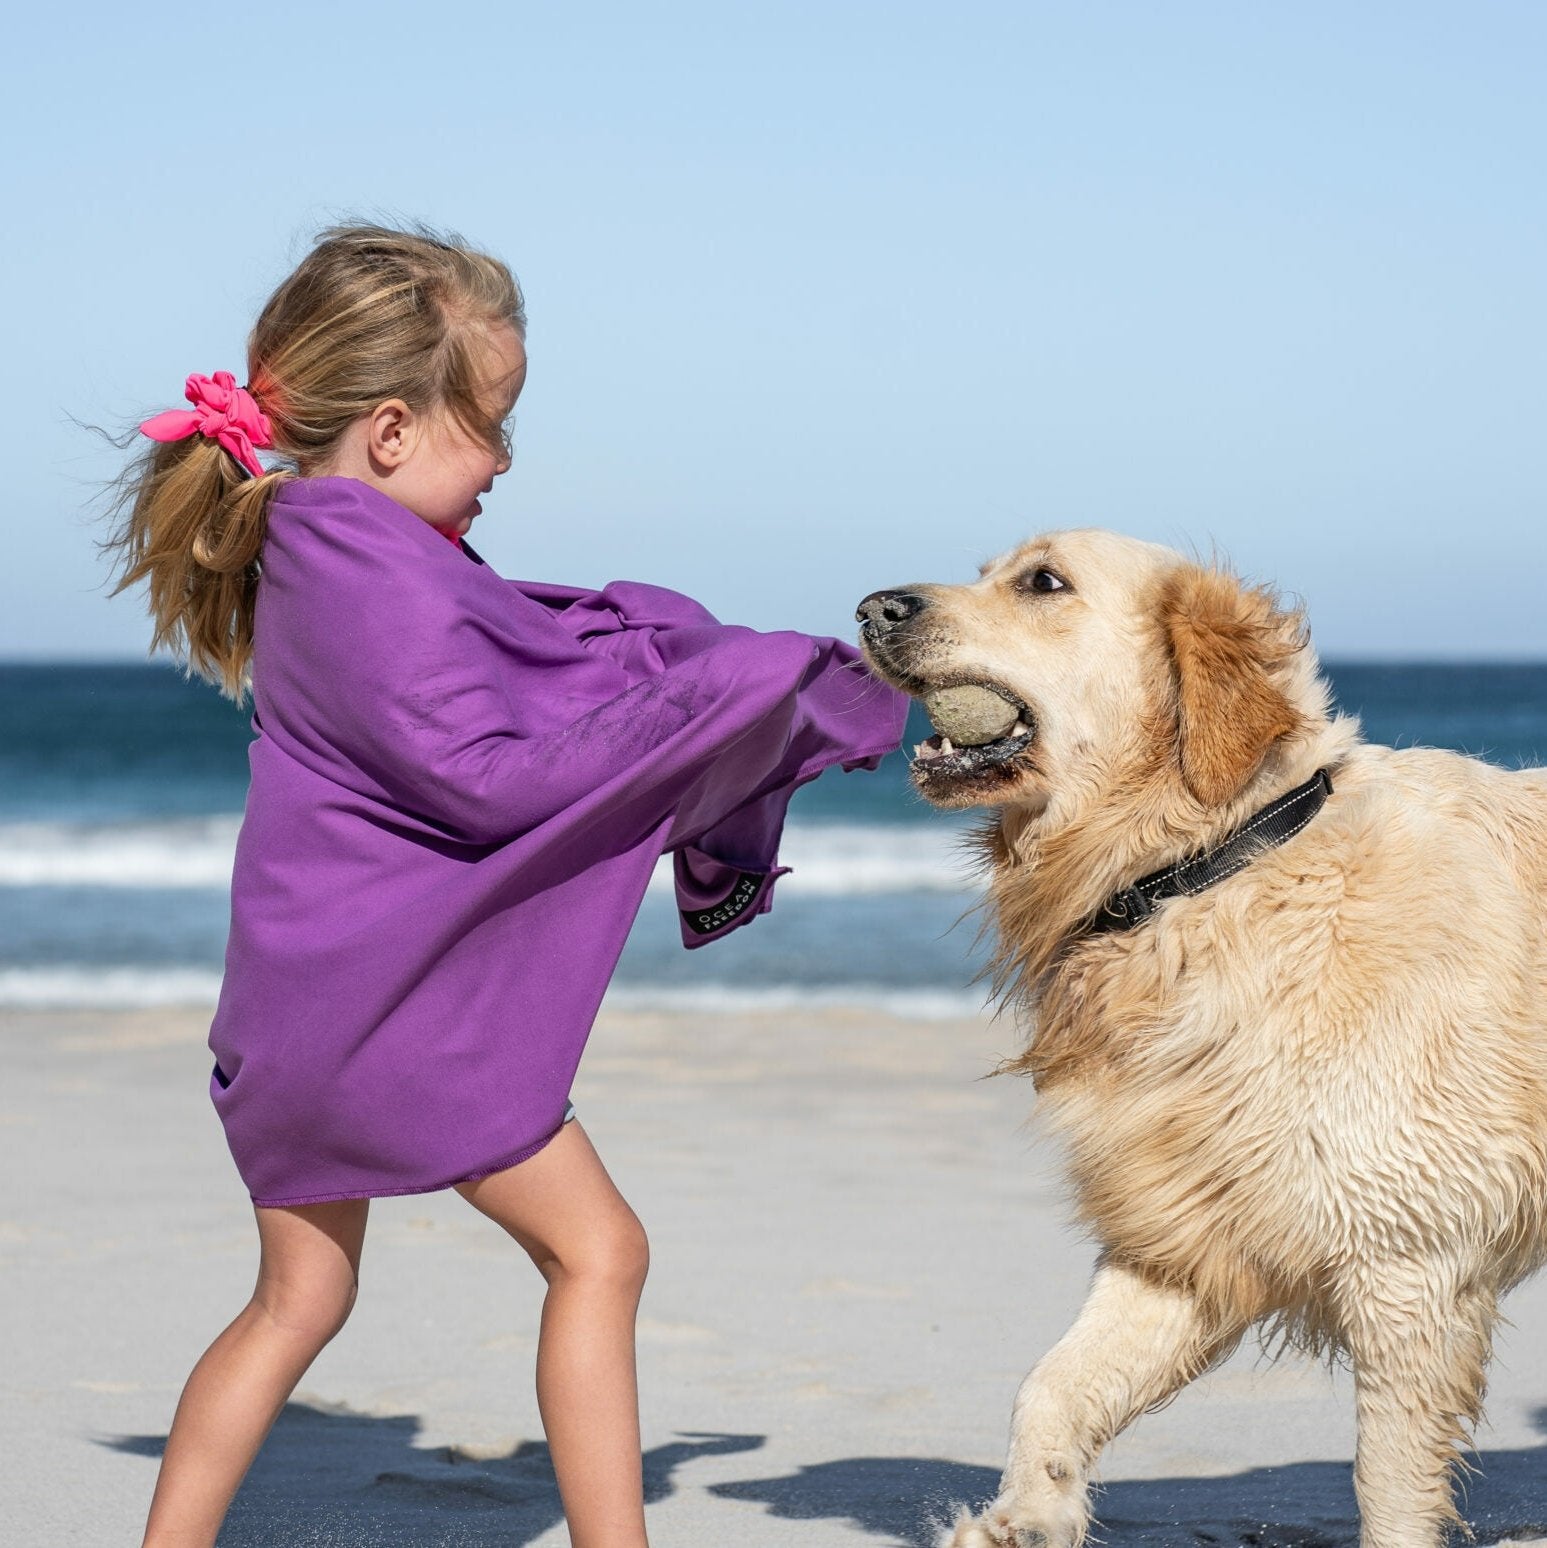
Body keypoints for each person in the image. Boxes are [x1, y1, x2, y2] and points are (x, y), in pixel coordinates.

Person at [104, 223, 907, 1548]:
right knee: (601, 1254)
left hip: (291, 1019)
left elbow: (522, 663)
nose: (508, 462)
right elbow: (486, 773)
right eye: (494, 424)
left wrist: (671, 675)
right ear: (391, 429)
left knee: (294, 1303)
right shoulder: (375, 575)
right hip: (392, 1025)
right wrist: (732, 687)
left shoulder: (321, 547)